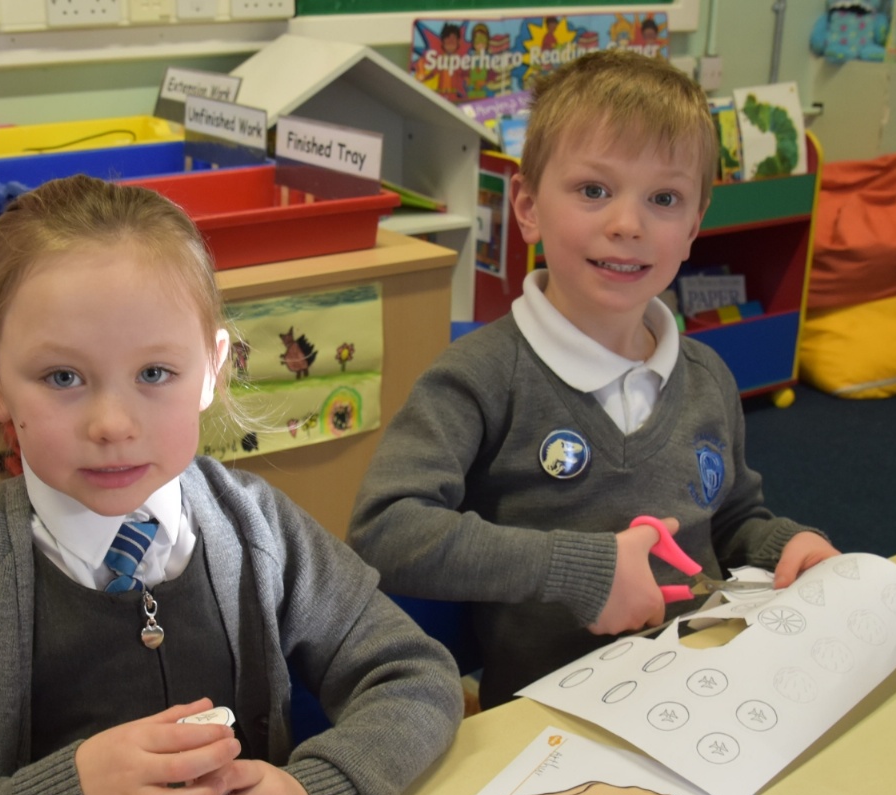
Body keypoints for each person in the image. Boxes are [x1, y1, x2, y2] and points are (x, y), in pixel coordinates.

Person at [0, 176, 462, 795]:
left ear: (211, 370)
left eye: (155, 373)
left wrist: (321, 792)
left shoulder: (256, 527)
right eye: (62, 376)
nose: (112, 424)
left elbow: (415, 676)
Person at [348, 50, 838, 710]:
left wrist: (785, 546)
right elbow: (385, 530)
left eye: (664, 199)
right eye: (593, 191)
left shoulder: (707, 377)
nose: (627, 225)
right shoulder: (479, 377)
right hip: (552, 717)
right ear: (528, 207)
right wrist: (579, 571)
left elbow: (731, 518)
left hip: (703, 689)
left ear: (693, 228)